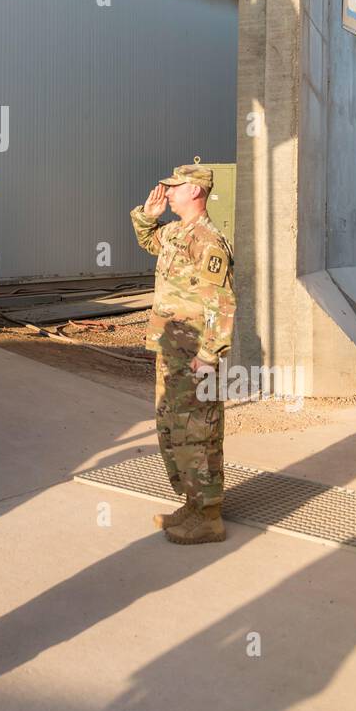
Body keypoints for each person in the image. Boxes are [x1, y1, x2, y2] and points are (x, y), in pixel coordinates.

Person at [130, 161, 236, 545]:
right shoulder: (177, 232)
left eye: (174, 187)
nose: (167, 192)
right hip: (172, 351)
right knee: (173, 428)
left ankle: (209, 516)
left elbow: (222, 304)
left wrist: (209, 356)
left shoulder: (207, 241)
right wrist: (147, 216)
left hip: (194, 355)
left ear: (195, 191)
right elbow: (149, 241)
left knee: (198, 431)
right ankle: (193, 503)